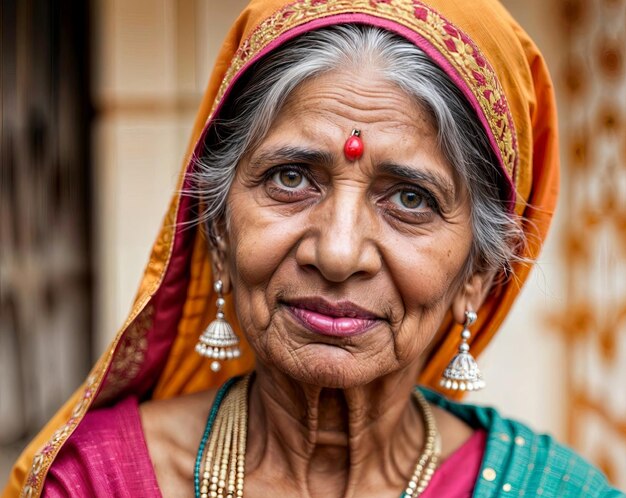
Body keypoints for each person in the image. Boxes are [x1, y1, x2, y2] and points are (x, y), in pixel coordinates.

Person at [4, 0, 624, 497]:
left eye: (410, 199)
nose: (338, 251)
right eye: (291, 179)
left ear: (477, 277)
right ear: (217, 232)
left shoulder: (555, 491)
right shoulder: (91, 482)